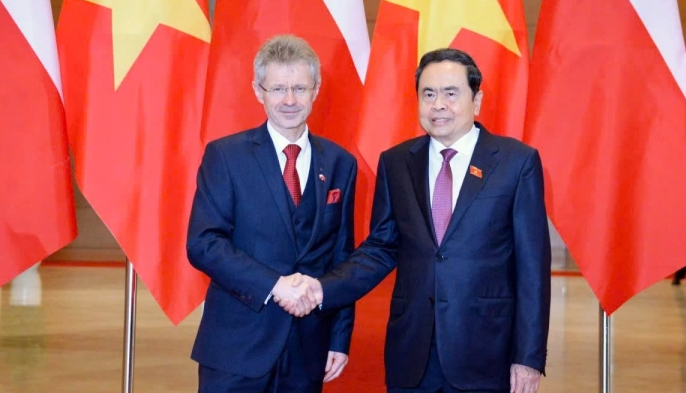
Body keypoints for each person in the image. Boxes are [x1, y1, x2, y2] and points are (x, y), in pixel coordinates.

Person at [284, 48, 551, 392]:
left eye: (451, 93)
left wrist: (528, 357)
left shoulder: (517, 163)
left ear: (477, 100)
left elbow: (532, 269)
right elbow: (381, 247)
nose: (438, 104)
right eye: (428, 94)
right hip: (411, 354)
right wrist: (323, 288)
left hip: (486, 353)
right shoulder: (396, 163)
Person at [186, 35, 357, 393]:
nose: (290, 100)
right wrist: (274, 285)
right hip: (236, 349)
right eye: (278, 88)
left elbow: (342, 257)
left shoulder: (341, 163)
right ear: (258, 91)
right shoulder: (225, 157)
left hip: (309, 350)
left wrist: (339, 338)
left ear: (316, 90)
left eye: (299, 88)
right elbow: (204, 243)